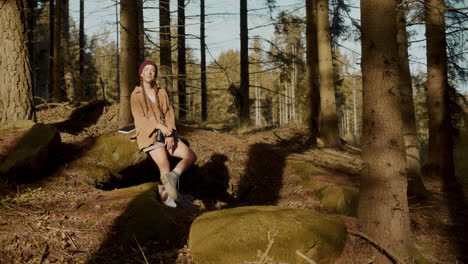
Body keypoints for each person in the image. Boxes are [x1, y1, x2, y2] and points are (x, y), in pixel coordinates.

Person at [130, 60, 197, 207]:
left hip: (166, 133)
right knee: (164, 164)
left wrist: (170, 133)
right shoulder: (136, 94)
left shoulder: (161, 91)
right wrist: (160, 126)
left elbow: (169, 113)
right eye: (146, 70)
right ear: (141, 73)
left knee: (190, 156)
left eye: (152, 70)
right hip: (149, 134)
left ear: (155, 75)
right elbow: (140, 119)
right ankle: (169, 200)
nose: (149, 72)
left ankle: (174, 176)